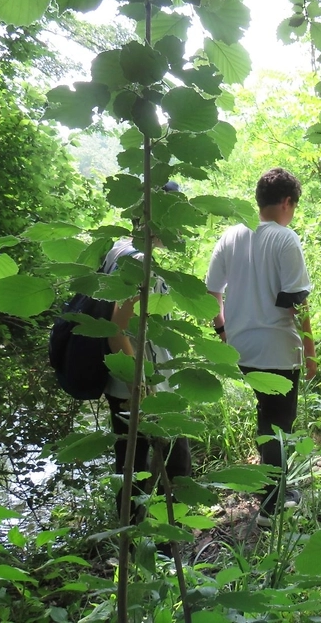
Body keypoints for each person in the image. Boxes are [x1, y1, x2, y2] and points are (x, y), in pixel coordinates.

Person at [205, 168, 317, 526]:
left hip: (241, 349)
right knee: (277, 422)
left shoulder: (231, 236)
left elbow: (212, 291)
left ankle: (276, 487)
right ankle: (271, 506)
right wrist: (311, 353)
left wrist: (222, 331)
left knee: (266, 413)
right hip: (277, 348)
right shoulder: (285, 239)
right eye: (294, 205)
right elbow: (296, 303)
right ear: (286, 202)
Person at [105, 181, 191, 522]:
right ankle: (165, 544)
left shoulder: (118, 249)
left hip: (126, 383)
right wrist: (142, 385)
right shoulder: (140, 262)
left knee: (133, 463)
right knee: (168, 463)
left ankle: (136, 542)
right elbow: (115, 328)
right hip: (140, 386)